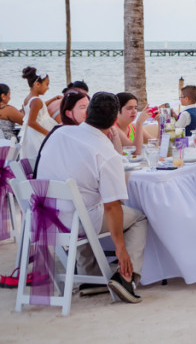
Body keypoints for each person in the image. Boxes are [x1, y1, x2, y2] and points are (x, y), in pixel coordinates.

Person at [36, 92, 148, 303]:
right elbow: (113, 207)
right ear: (115, 119)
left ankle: (90, 277)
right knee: (138, 218)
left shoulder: (58, 133)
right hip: (77, 222)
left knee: (85, 202)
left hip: (45, 219)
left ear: (88, 113)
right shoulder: (106, 154)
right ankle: (127, 278)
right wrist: (121, 249)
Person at [20, 66, 58, 165]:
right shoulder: (36, 100)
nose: (48, 87)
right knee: (44, 158)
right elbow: (31, 122)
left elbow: (40, 107)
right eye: (46, 84)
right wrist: (48, 133)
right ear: (37, 84)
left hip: (30, 134)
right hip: (38, 134)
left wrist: (54, 99)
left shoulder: (29, 98)